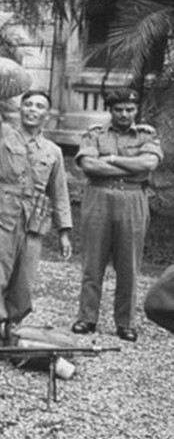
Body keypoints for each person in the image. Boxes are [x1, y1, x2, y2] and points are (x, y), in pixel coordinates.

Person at [0, 89, 72, 342]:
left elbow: (60, 192)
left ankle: (13, 322)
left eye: (39, 106)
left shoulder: (53, 151)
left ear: (47, 115)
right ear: (20, 110)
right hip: (3, 211)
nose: (33, 109)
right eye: (28, 104)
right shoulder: (3, 134)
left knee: (25, 277)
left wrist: (64, 232)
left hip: (35, 218)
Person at [73, 88, 162, 341]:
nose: (124, 114)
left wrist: (109, 159)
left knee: (129, 265)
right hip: (98, 197)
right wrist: (127, 167)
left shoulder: (147, 135)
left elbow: (148, 165)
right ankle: (86, 318)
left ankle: (125, 323)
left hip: (133, 199)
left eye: (129, 109)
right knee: (93, 262)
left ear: (136, 111)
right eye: (118, 109)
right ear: (110, 110)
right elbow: (89, 166)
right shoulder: (94, 134)